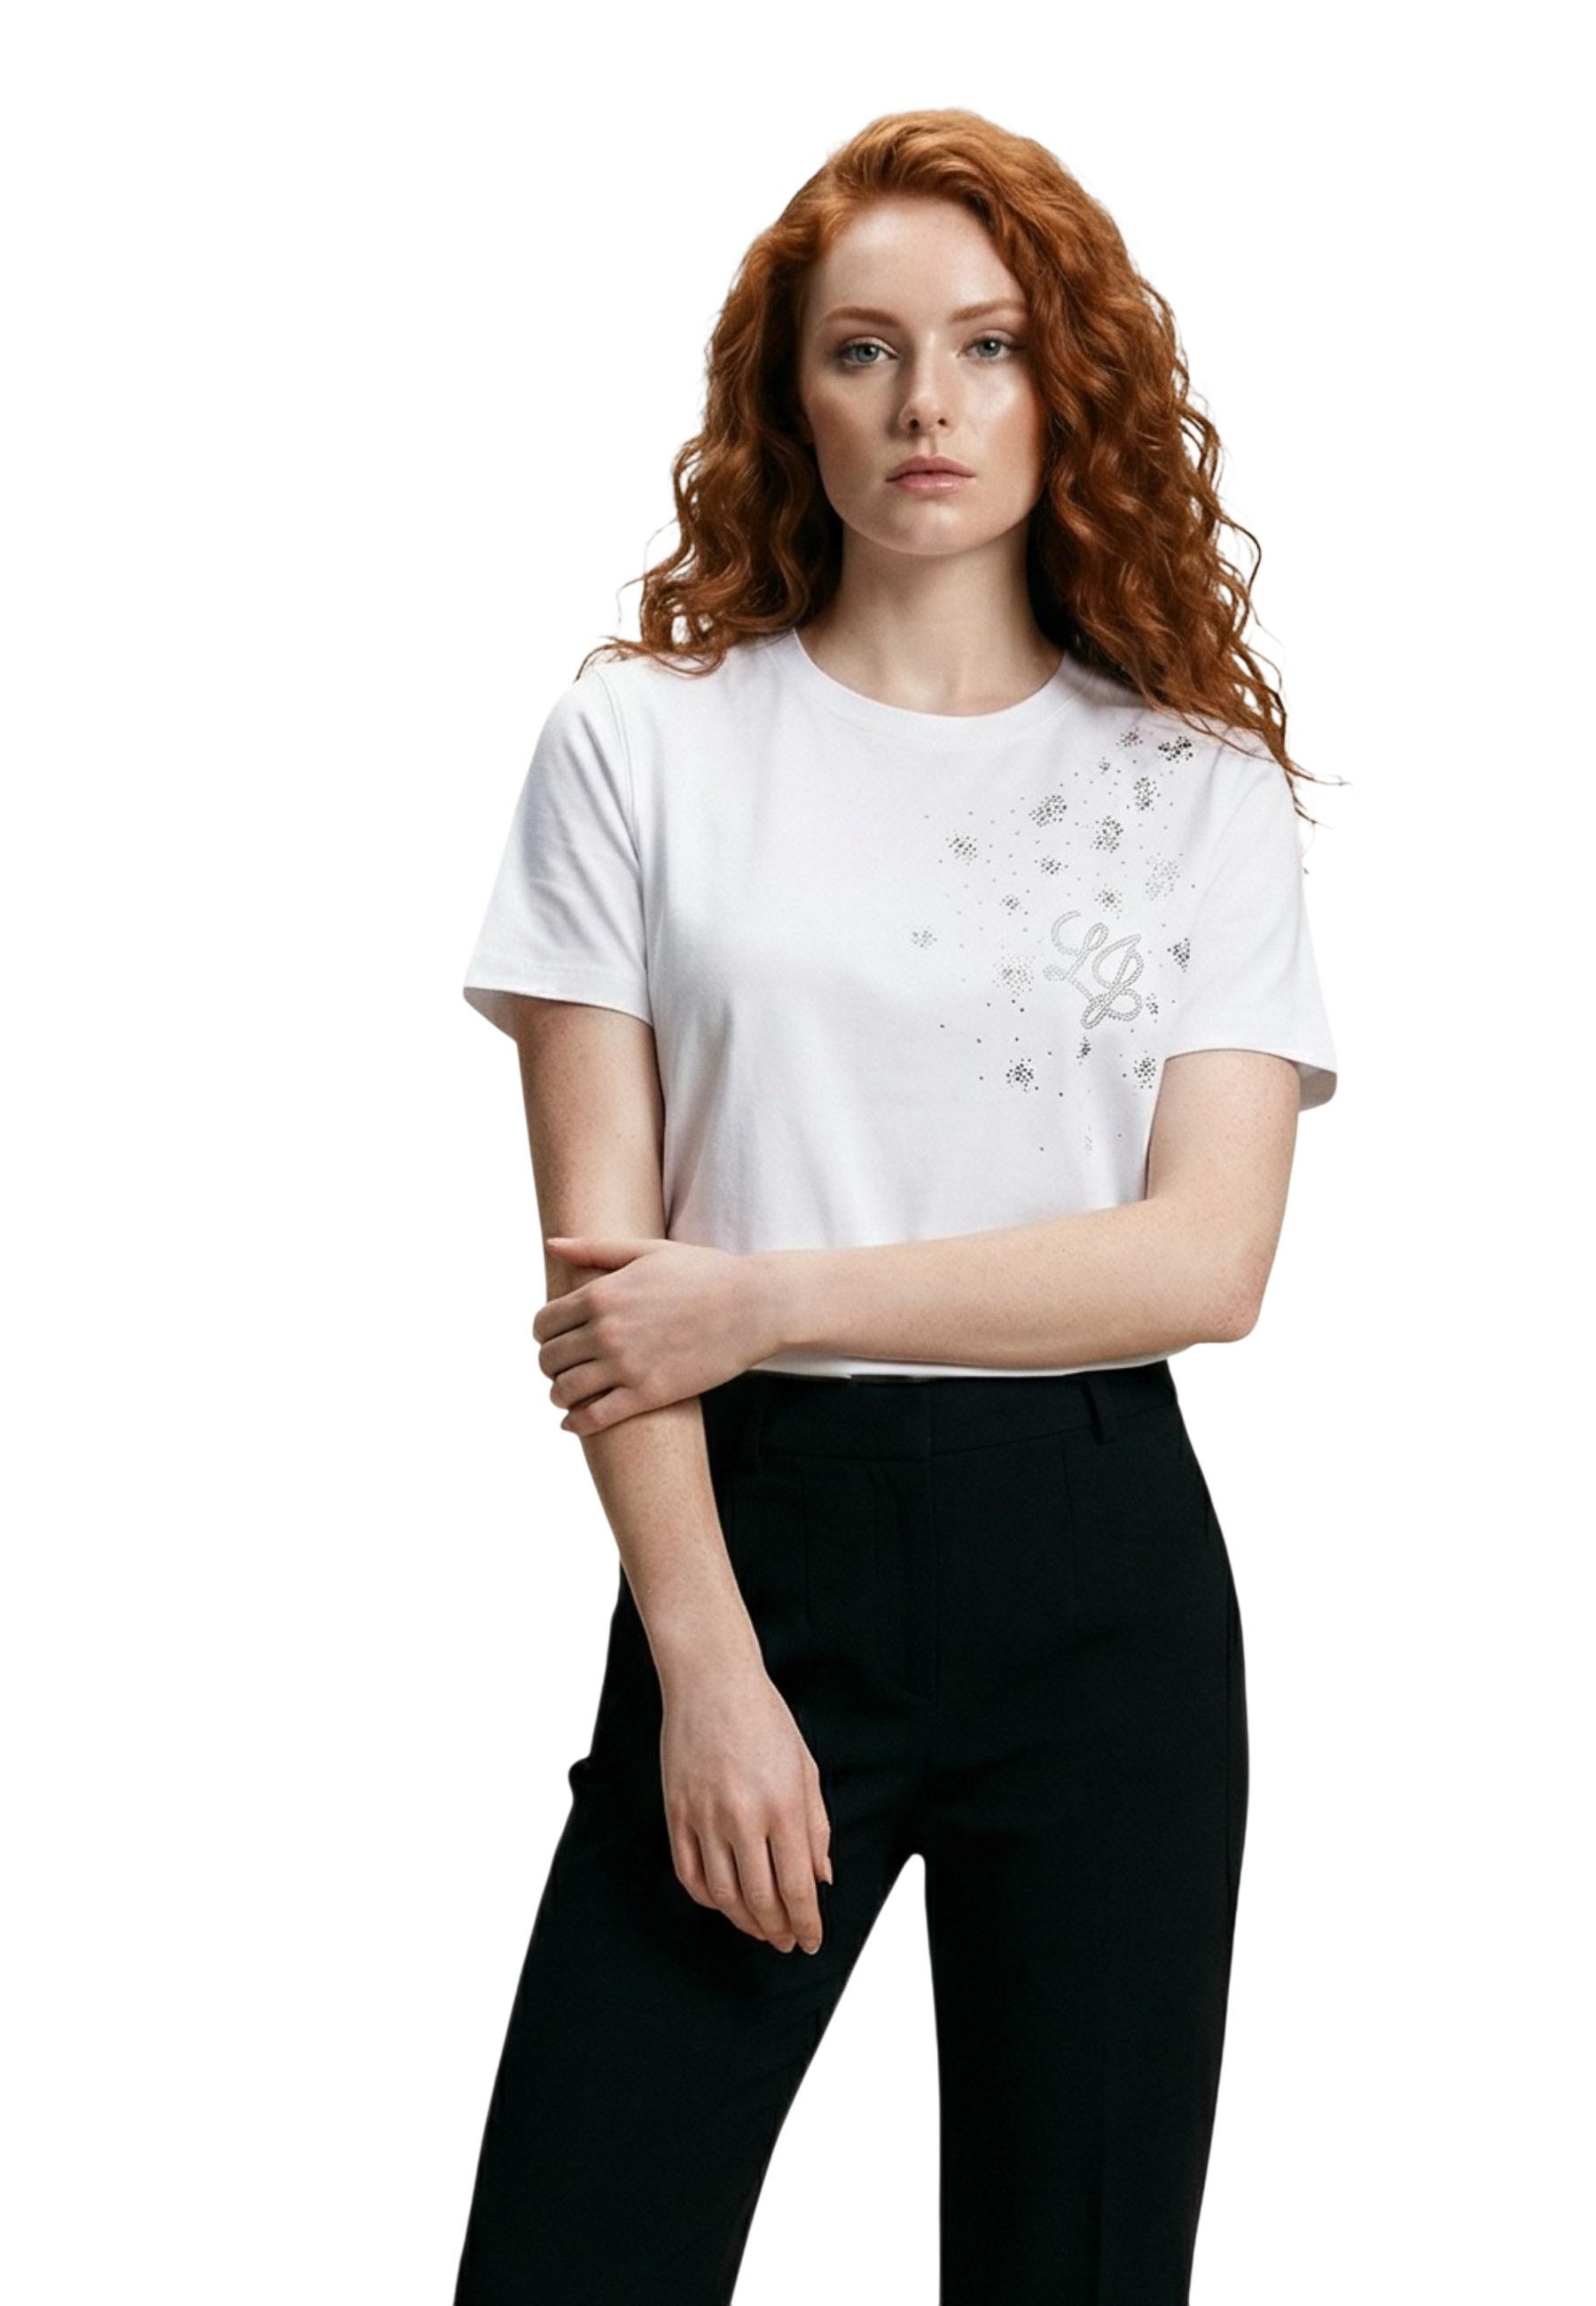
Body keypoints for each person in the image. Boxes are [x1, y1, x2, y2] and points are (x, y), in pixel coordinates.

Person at [450, 106, 1340, 2306]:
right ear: (792, 396)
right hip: (749, 1551)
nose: (927, 402)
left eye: (988, 345)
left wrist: (761, 1299)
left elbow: (1206, 1260)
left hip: (1104, 1568)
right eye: (864, 350)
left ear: (1070, 387)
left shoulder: (1197, 785)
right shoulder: (641, 745)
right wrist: (704, 1664)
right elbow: (607, 1290)